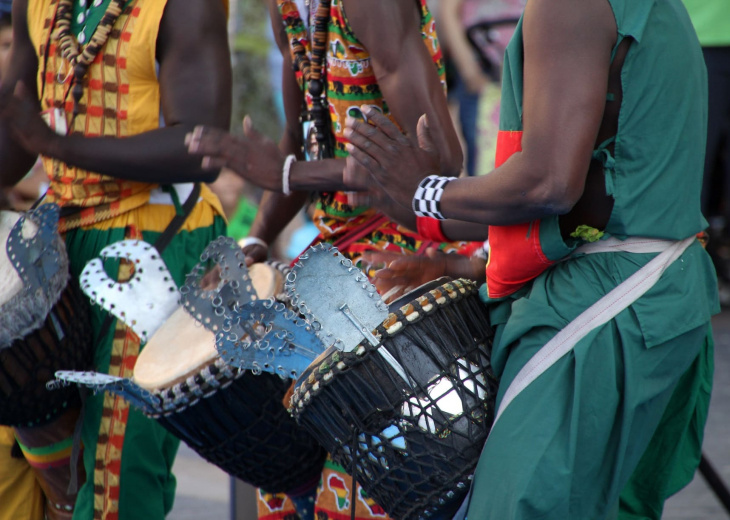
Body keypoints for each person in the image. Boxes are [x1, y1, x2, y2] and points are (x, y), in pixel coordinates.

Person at [344, 0, 717, 518]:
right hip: (656, 298)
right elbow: (602, 192)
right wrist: (448, 234)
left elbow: (548, 184)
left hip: (607, 311)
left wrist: (427, 193)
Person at [187, 1, 482, 518]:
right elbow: (301, 142)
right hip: (333, 263)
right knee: (296, 484)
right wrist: (256, 241)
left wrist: (286, 175)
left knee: (379, 482)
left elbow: (438, 159)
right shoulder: (289, 9)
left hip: (404, 257)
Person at [0, 0, 230, 519]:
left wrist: (56, 144)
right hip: (61, 240)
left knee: (119, 469)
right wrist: (24, 131)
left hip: (156, 244)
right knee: (54, 462)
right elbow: (16, 138)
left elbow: (204, 148)